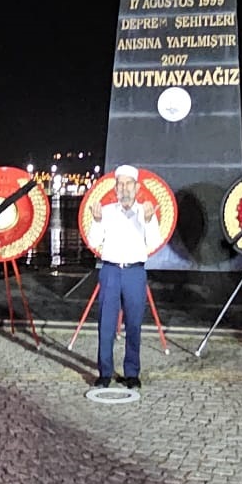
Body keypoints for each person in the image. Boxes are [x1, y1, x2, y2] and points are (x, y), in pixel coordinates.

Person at [93, 164, 158, 390]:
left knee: (134, 323)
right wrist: (97, 220)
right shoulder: (107, 211)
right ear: (115, 188)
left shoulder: (146, 210)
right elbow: (94, 240)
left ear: (137, 187)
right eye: (120, 184)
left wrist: (149, 221)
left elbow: (155, 241)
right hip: (110, 270)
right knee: (106, 324)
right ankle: (104, 372)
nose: (124, 188)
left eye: (128, 183)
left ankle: (132, 372)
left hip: (134, 272)